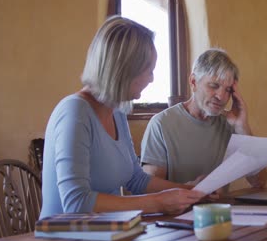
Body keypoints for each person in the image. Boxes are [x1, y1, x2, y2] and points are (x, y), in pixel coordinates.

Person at [39, 16, 205, 219]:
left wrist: (189, 190)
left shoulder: (117, 112)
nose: (152, 79)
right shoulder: (74, 112)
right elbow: (76, 202)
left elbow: (135, 179)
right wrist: (158, 203)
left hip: (103, 236)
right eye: (148, 70)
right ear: (125, 70)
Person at [140, 48, 267, 191]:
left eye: (228, 90)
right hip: (176, 212)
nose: (221, 96)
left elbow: (259, 181)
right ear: (193, 82)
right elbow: (148, 188)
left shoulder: (230, 124)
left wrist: (242, 128)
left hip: (219, 212)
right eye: (214, 86)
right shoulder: (162, 124)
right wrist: (191, 191)